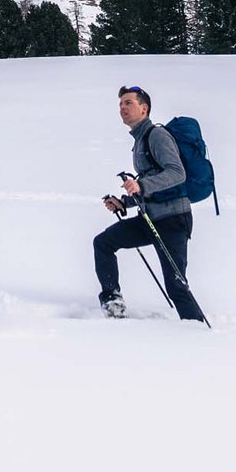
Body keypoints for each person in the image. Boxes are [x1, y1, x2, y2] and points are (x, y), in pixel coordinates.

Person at [93, 85, 207, 322]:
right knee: (103, 242)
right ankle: (113, 303)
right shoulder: (140, 140)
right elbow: (150, 183)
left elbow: (177, 173)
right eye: (120, 104)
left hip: (173, 220)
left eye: (128, 103)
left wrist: (141, 185)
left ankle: (196, 330)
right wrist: (124, 203)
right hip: (151, 218)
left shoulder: (157, 135)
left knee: (175, 285)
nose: (122, 108)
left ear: (144, 109)